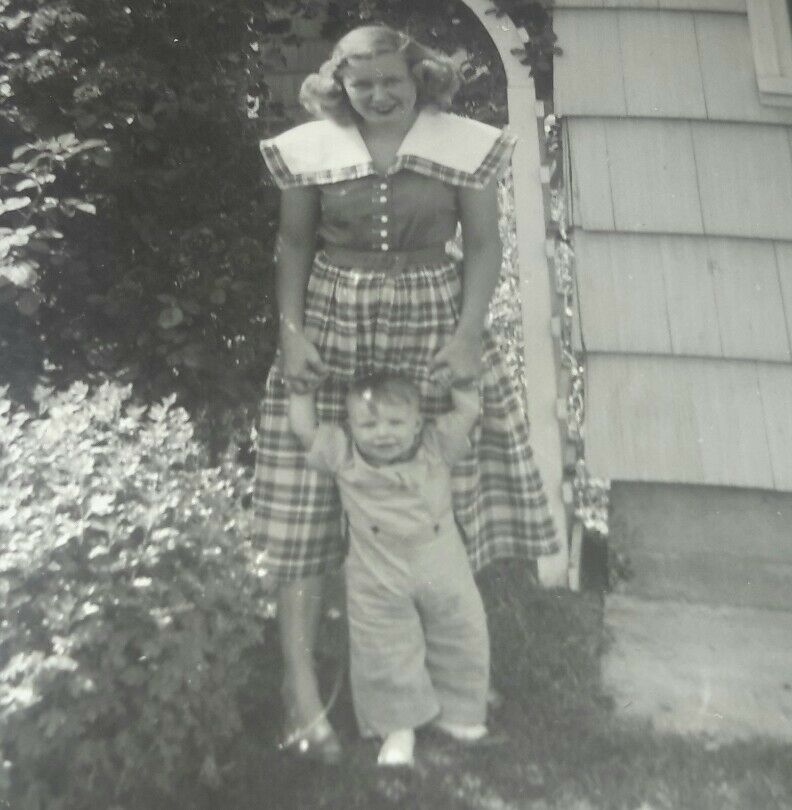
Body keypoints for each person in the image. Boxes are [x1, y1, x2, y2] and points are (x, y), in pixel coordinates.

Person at [254, 24, 558, 764]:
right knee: (307, 492)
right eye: (362, 85)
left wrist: (466, 335)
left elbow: (483, 244)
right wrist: (293, 332)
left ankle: (449, 673)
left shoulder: (460, 144)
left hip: (431, 320)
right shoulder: (314, 148)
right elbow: (295, 244)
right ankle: (304, 693)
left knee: (442, 486)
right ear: (341, 84)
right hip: (333, 320)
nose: (379, 96)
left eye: (393, 80)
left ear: (419, 76)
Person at [289, 373, 490, 767]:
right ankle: (398, 730)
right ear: (350, 426)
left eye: (396, 423)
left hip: (441, 566)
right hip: (376, 575)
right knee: (383, 648)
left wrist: (463, 380)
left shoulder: (435, 446)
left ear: (417, 423)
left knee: (462, 631)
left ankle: (460, 714)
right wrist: (303, 390)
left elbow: (467, 413)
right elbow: (304, 430)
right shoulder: (344, 455)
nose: (383, 434)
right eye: (369, 424)